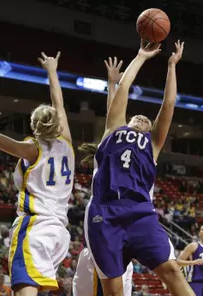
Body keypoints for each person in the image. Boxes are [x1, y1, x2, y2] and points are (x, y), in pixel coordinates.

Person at [80, 40, 196, 296]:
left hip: (140, 212)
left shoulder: (153, 143)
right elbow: (123, 89)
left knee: (173, 271)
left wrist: (171, 66)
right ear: (126, 120)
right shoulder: (112, 131)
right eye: (137, 116)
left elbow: (168, 104)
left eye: (146, 119)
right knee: (114, 289)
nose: (142, 117)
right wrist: (141, 56)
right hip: (104, 212)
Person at [0, 52, 74, 296]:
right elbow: (59, 103)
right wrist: (52, 71)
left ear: (34, 126)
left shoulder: (32, 149)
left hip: (35, 228)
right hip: (59, 234)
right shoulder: (68, 144)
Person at [75, 57, 133, 296]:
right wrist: (112, 84)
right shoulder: (110, 152)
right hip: (103, 227)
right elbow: (114, 118)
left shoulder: (145, 157)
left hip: (124, 235)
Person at [178, 225, 203, 295]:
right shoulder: (193, 246)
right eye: (202, 230)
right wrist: (193, 262)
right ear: (199, 233)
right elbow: (177, 262)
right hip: (196, 283)